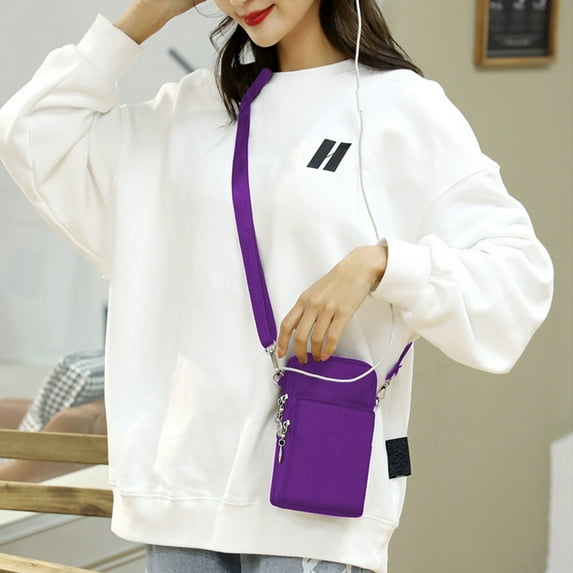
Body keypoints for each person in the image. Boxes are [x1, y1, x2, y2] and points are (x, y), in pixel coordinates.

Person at [0, 0, 553, 571]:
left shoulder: (397, 107)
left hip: (314, 507)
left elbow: (517, 277)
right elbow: (33, 132)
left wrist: (381, 264)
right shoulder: (191, 110)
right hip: (181, 498)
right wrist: (145, 16)